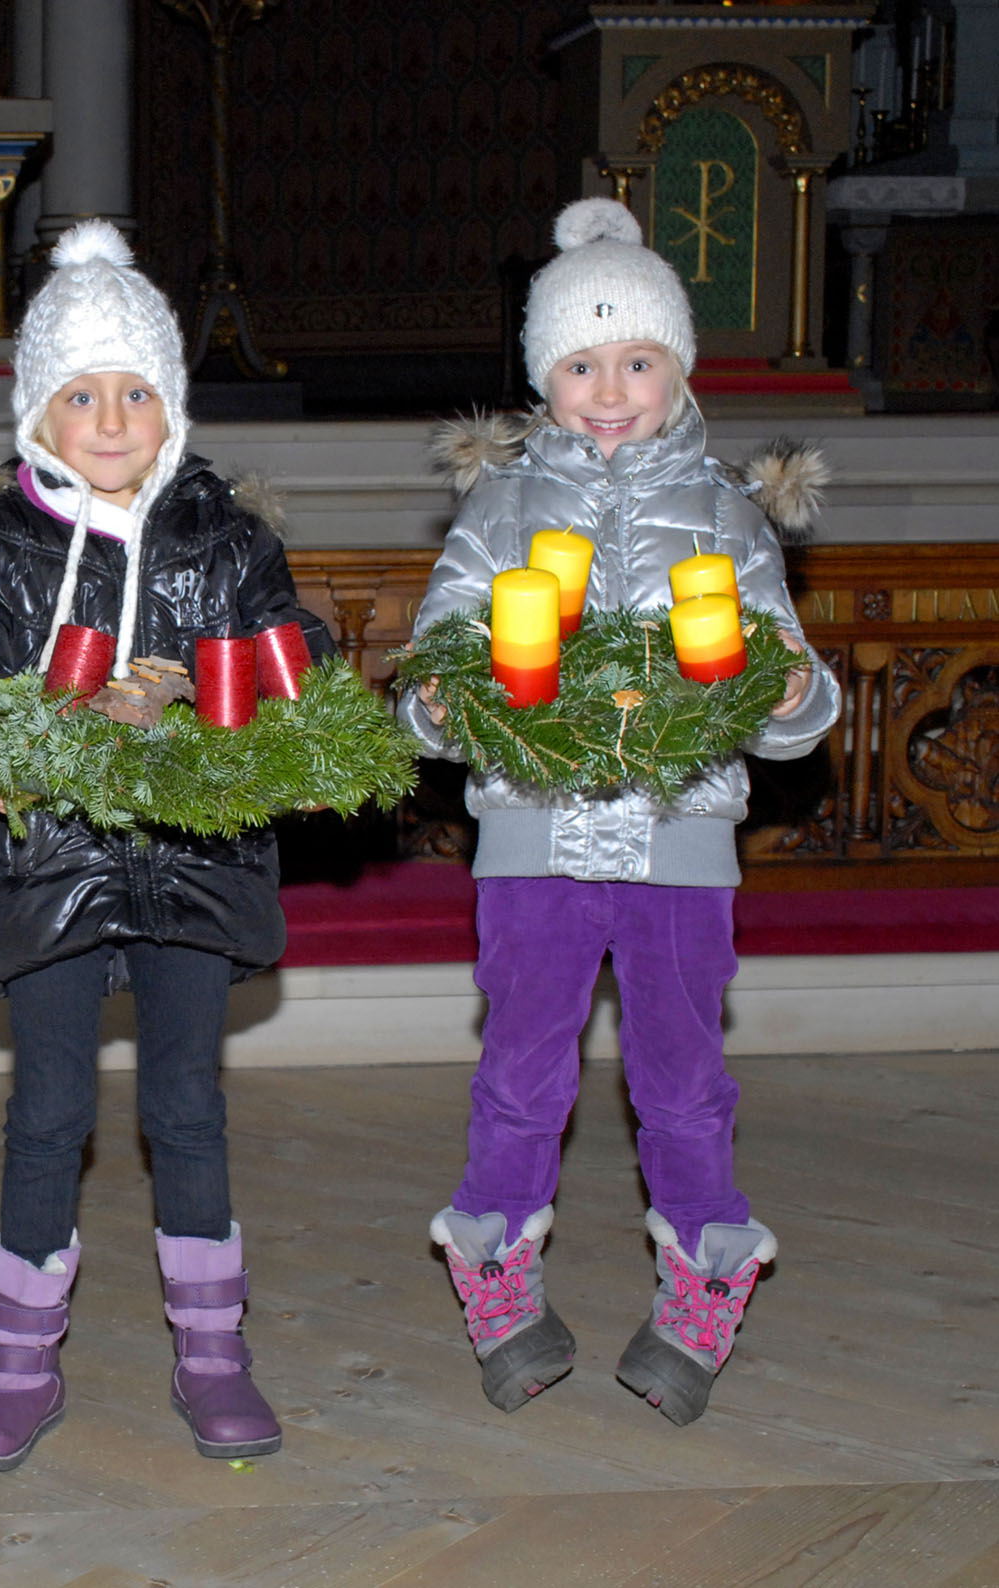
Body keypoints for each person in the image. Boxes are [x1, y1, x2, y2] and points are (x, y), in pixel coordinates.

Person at [401, 198, 840, 1426]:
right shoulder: (497, 512)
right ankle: (496, 1271)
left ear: (679, 369)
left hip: (681, 833)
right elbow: (440, 662)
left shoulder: (729, 514)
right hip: (531, 832)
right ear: (543, 377)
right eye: (581, 364)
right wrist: (436, 699)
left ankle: (702, 1277)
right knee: (520, 1069)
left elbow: (789, 692)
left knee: (682, 1076)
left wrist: (791, 692)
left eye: (637, 362)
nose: (609, 390)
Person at [0, 220, 332, 1473]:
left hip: (196, 864)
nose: (110, 421)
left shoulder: (227, 539)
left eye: (135, 394)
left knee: (186, 1105)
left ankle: (212, 1352)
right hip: (51, 868)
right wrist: (13, 737)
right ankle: (18, 1362)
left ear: (172, 405)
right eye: (80, 395)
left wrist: (243, 685)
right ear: (36, 413)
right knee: (47, 1110)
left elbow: (289, 656)